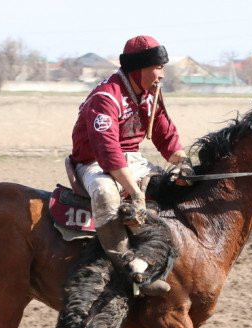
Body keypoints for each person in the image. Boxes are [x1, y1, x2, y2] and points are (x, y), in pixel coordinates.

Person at [69, 35, 191, 296]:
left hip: (131, 159)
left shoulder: (150, 94)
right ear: (139, 69)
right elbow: (108, 152)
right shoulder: (106, 98)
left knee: (170, 186)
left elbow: (166, 136)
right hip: (94, 164)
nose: (162, 74)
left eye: (163, 68)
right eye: (158, 67)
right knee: (106, 195)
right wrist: (134, 192)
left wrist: (184, 163)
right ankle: (128, 268)